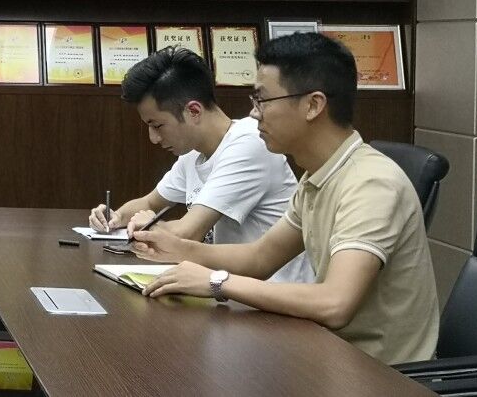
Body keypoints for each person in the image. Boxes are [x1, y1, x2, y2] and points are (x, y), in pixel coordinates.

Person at [131, 33, 439, 364]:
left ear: (313, 105)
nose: (254, 114)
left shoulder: (371, 183)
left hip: (380, 374)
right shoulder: (317, 177)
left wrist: (216, 282)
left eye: (262, 100)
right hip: (326, 353)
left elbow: (335, 303)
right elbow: (260, 258)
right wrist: (179, 249)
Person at [87, 47, 311, 282]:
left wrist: (149, 226)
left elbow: (188, 233)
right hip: (228, 286)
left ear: (193, 111)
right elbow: (150, 202)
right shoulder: (194, 153)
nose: (153, 138)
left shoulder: (250, 143)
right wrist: (115, 217)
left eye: (157, 125)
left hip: (271, 292)